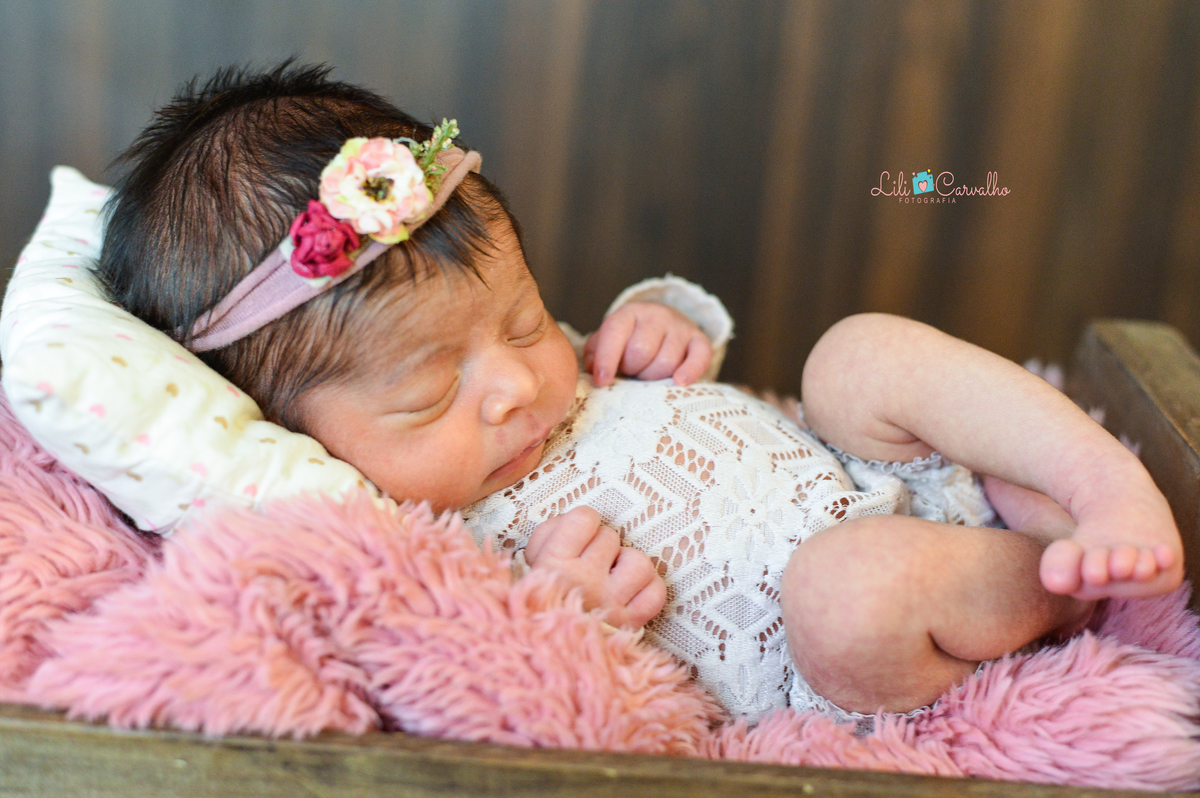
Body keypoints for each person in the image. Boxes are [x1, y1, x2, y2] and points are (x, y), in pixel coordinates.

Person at [98, 62, 1183, 721]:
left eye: (520, 317)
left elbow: (669, 352)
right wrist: (561, 619)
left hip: (858, 469)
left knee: (853, 353)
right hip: (841, 647)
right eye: (431, 394)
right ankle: (1054, 581)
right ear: (289, 429)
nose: (518, 382)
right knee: (847, 595)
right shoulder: (398, 539)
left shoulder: (538, 366)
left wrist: (659, 325)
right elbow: (493, 690)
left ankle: (1094, 478)